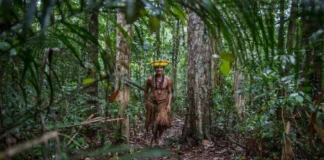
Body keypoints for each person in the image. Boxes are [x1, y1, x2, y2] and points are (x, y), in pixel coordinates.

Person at [144, 60, 172, 146]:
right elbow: (146, 91)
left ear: (163, 69)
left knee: (162, 123)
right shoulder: (150, 79)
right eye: (157, 67)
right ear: (155, 69)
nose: (159, 69)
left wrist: (169, 104)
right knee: (153, 122)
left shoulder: (168, 80)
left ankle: (159, 137)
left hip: (163, 103)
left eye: (160, 67)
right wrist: (146, 102)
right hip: (152, 103)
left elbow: (170, 92)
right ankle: (155, 138)